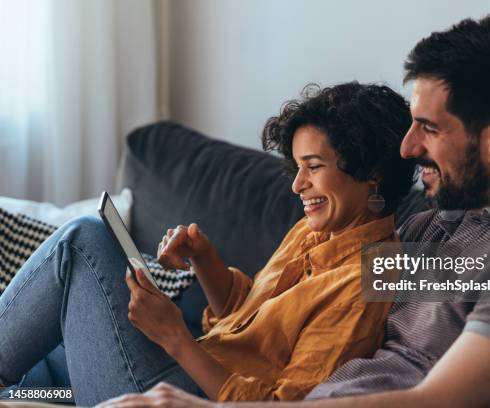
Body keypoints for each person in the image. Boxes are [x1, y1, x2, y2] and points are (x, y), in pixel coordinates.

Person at [99, 14, 490, 408]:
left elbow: (437, 402)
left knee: (81, 250)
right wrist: (207, 270)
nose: (407, 149)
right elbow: (299, 305)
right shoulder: (438, 230)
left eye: (428, 129)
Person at [0, 83, 416, 406]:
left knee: (83, 241)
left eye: (314, 167)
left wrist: (174, 337)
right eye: (297, 166)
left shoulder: (365, 281)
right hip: (183, 369)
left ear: (371, 172)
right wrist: (203, 259)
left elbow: (283, 405)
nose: (296, 184)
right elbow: (245, 319)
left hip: (188, 397)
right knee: (34, 379)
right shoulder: (316, 230)